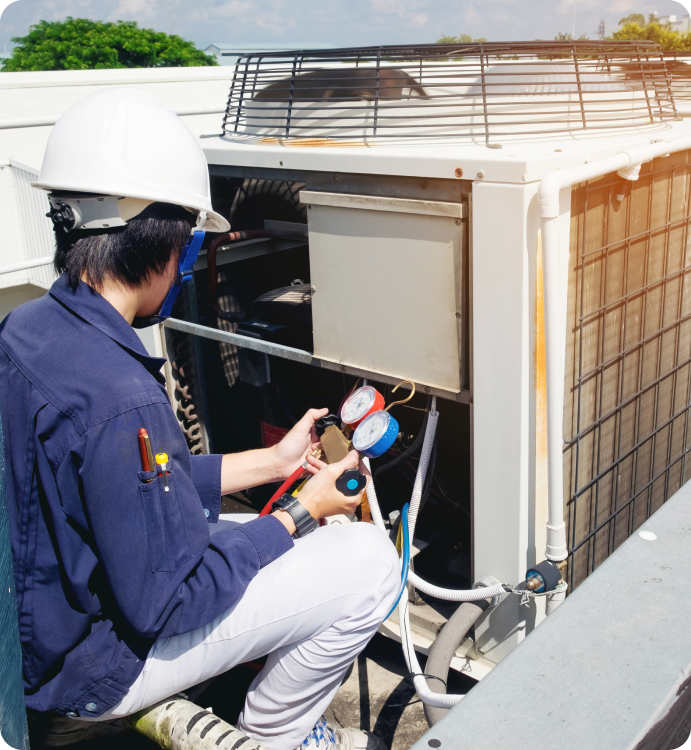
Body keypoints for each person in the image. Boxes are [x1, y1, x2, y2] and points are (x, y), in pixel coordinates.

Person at [0, 88, 399, 750]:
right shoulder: (123, 395)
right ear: (154, 244)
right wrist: (299, 513)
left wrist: (273, 465)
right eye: (188, 251)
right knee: (368, 561)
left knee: (250, 539)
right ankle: (278, 736)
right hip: (91, 670)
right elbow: (171, 598)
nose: (186, 271)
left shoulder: (27, 330)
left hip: (42, 630)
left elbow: (117, 492)